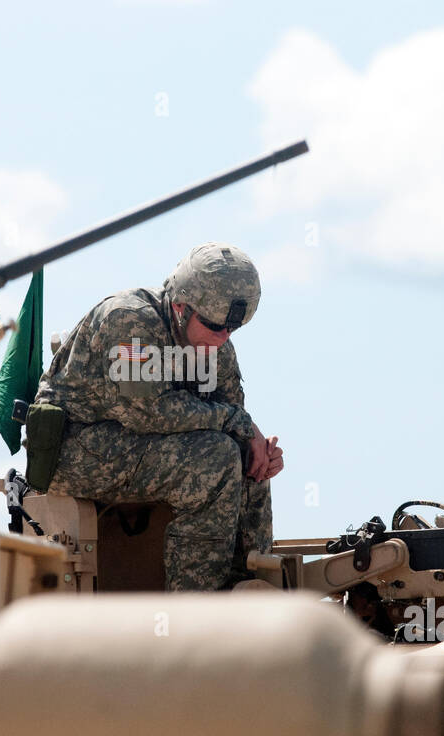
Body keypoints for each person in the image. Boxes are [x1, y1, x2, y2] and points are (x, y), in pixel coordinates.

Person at [30, 243, 284, 590]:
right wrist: (240, 424)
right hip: (75, 449)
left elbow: (232, 415)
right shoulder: (128, 320)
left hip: (137, 447)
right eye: (214, 325)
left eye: (231, 329)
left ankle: (251, 581)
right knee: (215, 457)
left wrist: (258, 447)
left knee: (248, 458)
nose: (223, 337)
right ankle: (195, 603)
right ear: (181, 306)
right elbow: (148, 413)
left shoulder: (216, 343)